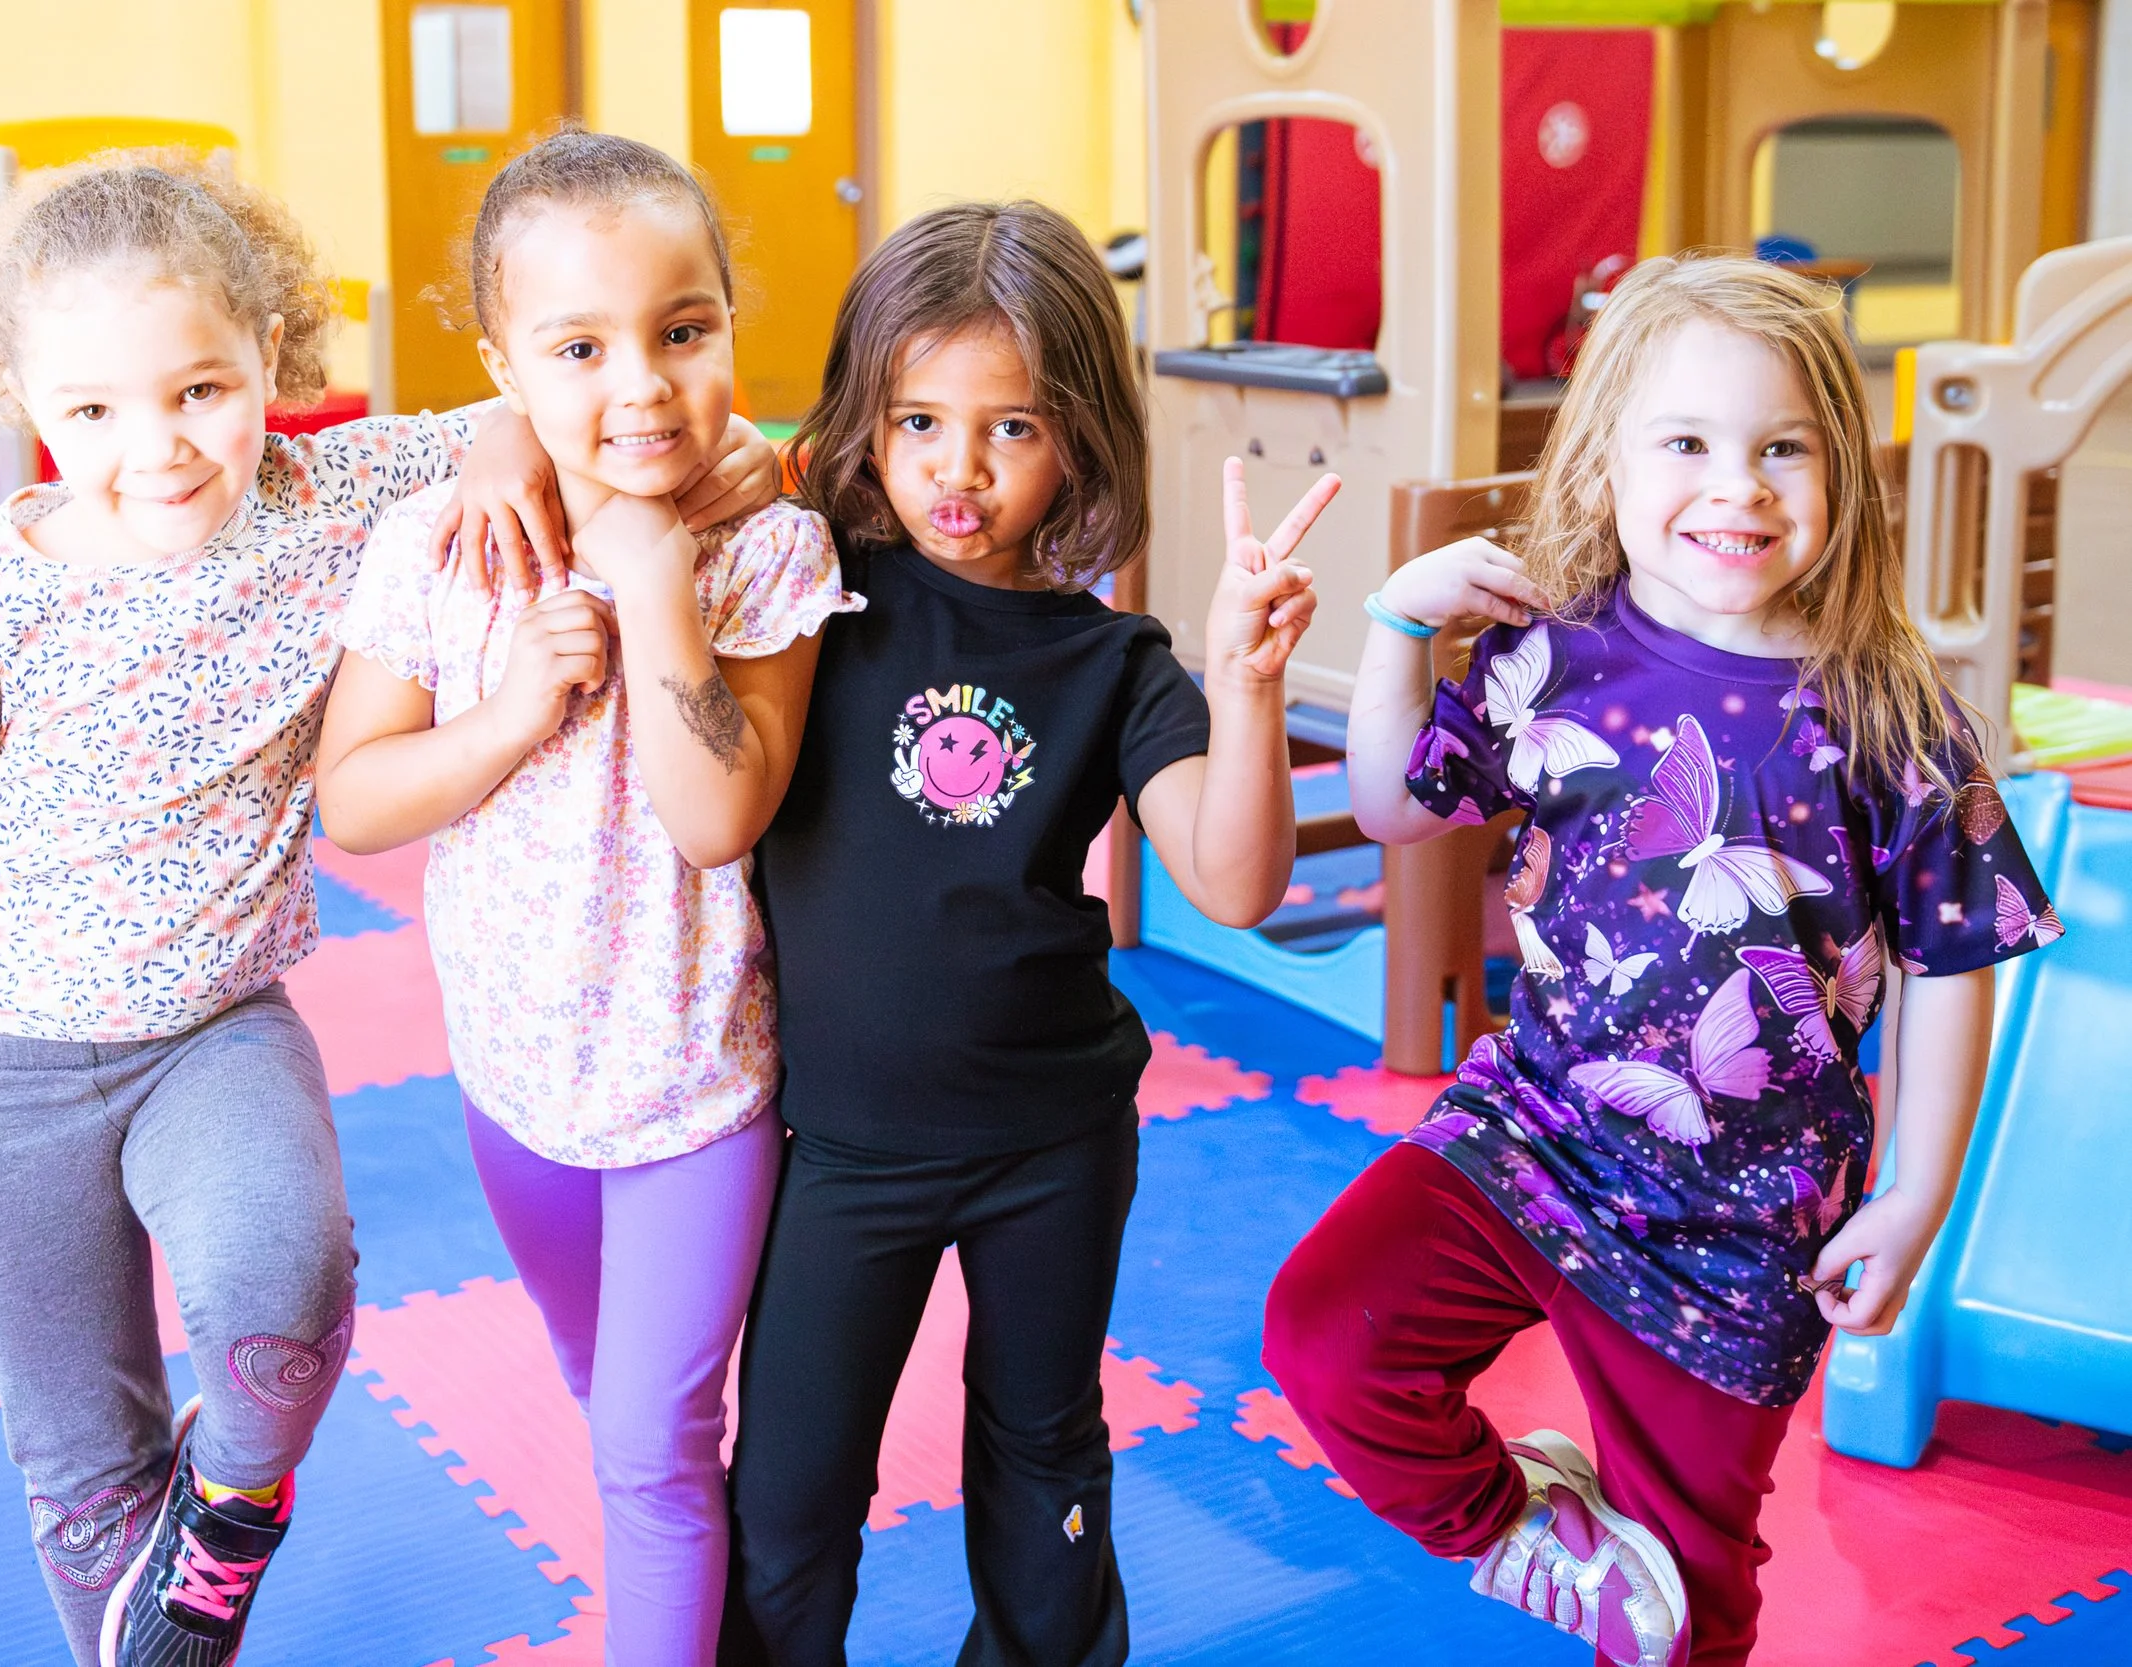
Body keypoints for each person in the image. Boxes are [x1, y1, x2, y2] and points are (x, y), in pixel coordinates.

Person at [0, 149, 773, 1667]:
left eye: (200, 389)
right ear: (24, 405)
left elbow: (566, 403)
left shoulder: (332, 494)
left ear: (274, 346)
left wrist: (556, 455)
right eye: (92, 414)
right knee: (80, 1471)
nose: (161, 451)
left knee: (291, 1290)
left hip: (217, 1032)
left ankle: (231, 1510)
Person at [1263, 253, 2062, 1667]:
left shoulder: (1892, 711)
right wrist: (1395, 623)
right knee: (1328, 1331)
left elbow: (1955, 959)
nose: (1738, 486)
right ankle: (1539, 1527)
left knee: (1687, 1605)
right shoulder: (1554, 658)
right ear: (1608, 464)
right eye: (1688, 443)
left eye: (1780, 449)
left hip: (1748, 1214)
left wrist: (1918, 1194)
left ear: (1839, 474)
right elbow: (1395, 805)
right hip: (1540, 1136)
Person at [718, 201, 1328, 1667]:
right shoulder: (810, 591)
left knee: (1042, 1454)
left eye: (1013, 430)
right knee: (789, 1499)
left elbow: (1232, 880)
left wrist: (1246, 687)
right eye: (920, 420)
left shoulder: (1113, 660)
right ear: (866, 414)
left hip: (1050, 1135)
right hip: (843, 1145)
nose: (959, 470)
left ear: (1080, 445)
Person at [313, 130, 855, 1667]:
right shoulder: (445, 542)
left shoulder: (769, 547)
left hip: (696, 1088)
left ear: (733, 323)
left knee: (651, 1443)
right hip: (513, 1084)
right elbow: (354, 798)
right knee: (596, 1379)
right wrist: (507, 717)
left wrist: (655, 576)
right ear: (501, 363)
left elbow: (716, 814)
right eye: (577, 346)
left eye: (684, 331)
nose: (641, 385)